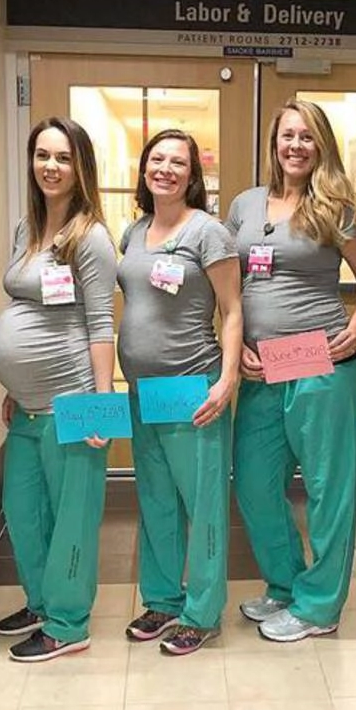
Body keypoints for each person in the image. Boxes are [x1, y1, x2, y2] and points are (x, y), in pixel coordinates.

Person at [227, 98, 356, 643]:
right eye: (288, 135)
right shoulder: (245, 205)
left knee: (326, 490)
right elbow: (228, 283)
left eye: (307, 136)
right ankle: (286, 582)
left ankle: (319, 607)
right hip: (261, 367)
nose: (296, 145)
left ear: (321, 146)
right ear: (274, 143)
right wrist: (233, 345)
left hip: (321, 363)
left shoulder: (335, 207)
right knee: (253, 482)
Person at [0, 118, 117, 661]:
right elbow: (24, 304)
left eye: (63, 157)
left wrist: (101, 406)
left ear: (80, 166)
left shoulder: (91, 238)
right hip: (27, 406)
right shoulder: (27, 229)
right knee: (22, 509)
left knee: (72, 519)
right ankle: (42, 601)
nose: (51, 166)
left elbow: (102, 323)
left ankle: (68, 623)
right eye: (42, 155)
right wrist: (15, 381)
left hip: (72, 400)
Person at [119, 129, 242, 656]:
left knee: (203, 504)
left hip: (193, 387)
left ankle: (203, 612)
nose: (165, 169)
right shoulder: (134, 231)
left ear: (193, 175)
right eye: (157, 159)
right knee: (156, 500)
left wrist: (228, 379)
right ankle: (164, 599)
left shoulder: (207, 232)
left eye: (177, 162)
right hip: (143, 391)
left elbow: (232, 310)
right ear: (144, 168)